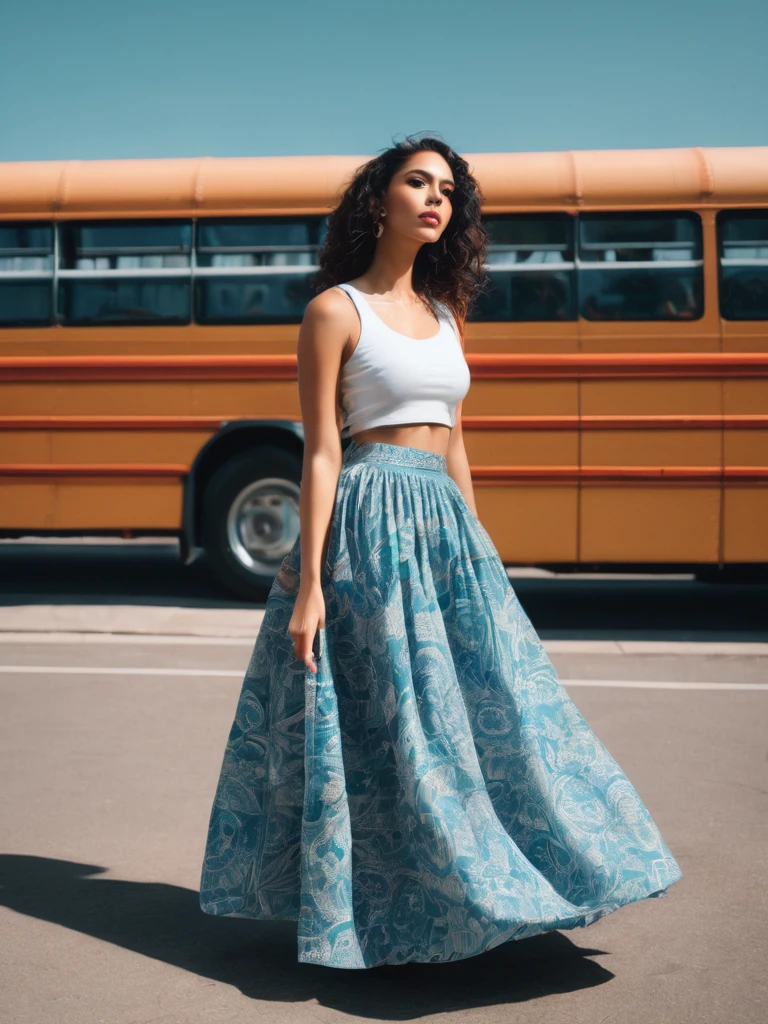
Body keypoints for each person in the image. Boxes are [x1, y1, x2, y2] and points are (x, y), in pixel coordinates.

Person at [198, 133, 682, 970]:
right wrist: (310, 583)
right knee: (397, 730)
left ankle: (510, 881)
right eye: (418, 183)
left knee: (499, 715)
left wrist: (479, 543)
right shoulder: (333, 310)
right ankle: (395, 912)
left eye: (449, 191)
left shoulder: (448, 313)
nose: (435, 199)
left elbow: (456, 440)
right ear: (376, 200)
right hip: (370, 523)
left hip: (445, 532)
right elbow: (320, 452)